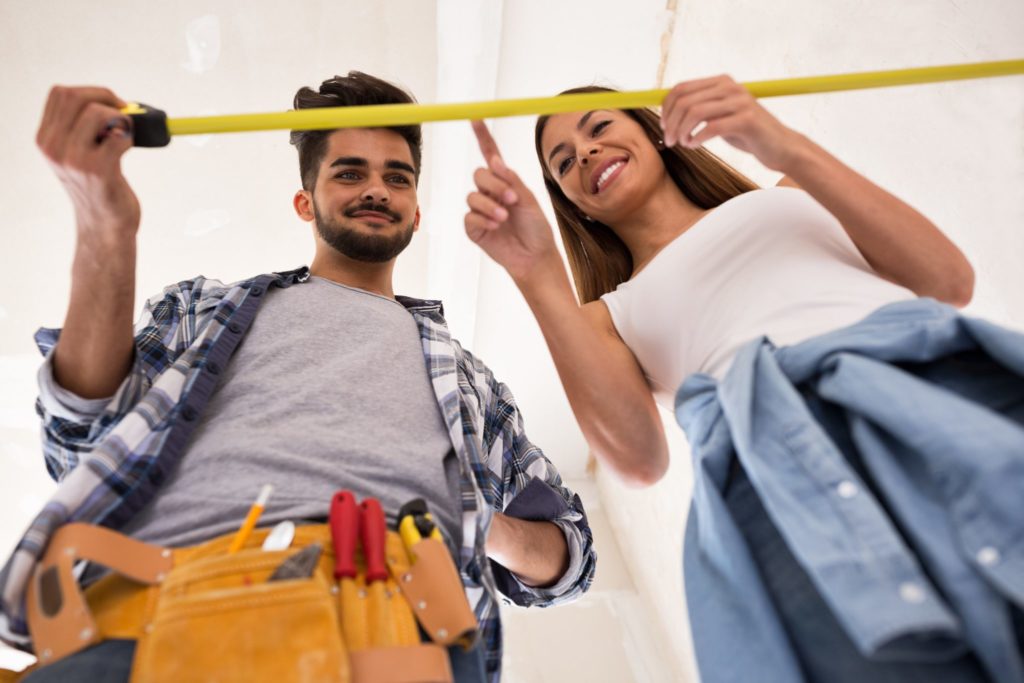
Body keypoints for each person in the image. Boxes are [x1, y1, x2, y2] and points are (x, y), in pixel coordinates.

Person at [0, 72, 596, 683]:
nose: (376, 189)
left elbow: (570, 558)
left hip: (400, 638)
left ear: (417, 213)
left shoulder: (472, 383)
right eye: (348, 172)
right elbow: (78, 432)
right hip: (140, 625)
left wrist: (467, 521)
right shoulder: (200, 311)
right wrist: (104, 223)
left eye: (398, 177)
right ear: (305, 202)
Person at [463, 74, 1024, 682]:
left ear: (652, 132)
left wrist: (777, 140)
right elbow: (638, 462)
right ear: (571, 203)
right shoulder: (608, 315)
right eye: (564, 163)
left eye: (599, 128)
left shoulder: (788, 189)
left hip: (922, 382)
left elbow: (946, 280)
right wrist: (537, 271)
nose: (587, 153)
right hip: (773, 465)